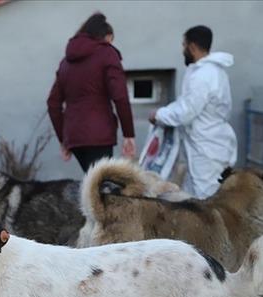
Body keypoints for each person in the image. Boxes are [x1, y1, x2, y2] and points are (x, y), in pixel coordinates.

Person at [149, 25, 236, 199]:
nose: (183, 50)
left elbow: (186, 112)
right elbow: (185, 103)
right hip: (207, 145)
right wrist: (163, 112)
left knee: (205, 199)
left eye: (184, 45)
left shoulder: (203, 76)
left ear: (193, 46)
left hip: (206, 149)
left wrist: (159, 115)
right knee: (197, 196)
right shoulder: (212, 72)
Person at [47, 12, 136, 173]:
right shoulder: (107, 53)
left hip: (74, 137)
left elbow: (53, 103)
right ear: (106, 36)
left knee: (94, 186)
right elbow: (120, 96)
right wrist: (128, 134)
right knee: (102, 191)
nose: (111, 44)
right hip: (99, 136)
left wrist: (63, 139)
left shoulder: (66, 62)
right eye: (111, 40)